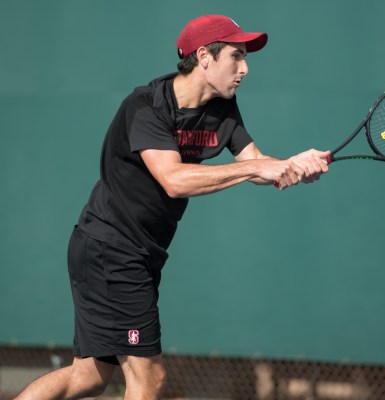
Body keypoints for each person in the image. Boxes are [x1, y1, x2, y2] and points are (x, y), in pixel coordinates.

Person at [16, 14, 329, 400]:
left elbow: (257, 165)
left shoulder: (222, 109)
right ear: (204, 57)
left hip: (127, 253)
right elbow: (174, 179)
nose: (245, 68)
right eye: (236, 56)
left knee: (89, 378)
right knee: (149, 380)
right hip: (111, 250)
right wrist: (258, 167)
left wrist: (294, 164)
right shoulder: (145, 106)